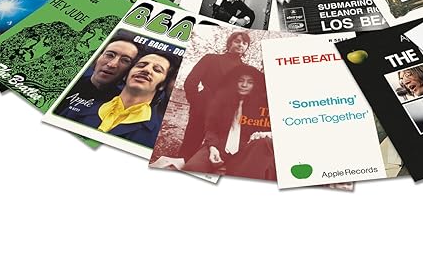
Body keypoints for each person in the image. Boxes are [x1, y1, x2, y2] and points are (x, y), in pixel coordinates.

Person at [152, 31, 251, 166]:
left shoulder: (245, 70)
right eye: (237, 41)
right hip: (203, 105)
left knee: (215, 149)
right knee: (189, 146)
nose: (240, 45)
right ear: (230, 43)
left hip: (226, 113)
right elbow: (191, 82)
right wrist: (196, 102)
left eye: (244, 43)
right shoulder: (211, 59)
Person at [181, 65, 275, 180]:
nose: (244, 85)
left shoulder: (262, 106)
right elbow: (211, 128)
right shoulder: (220, 100)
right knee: (192, 168)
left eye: (250, 82)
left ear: (255, 85)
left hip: (246, 148)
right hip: (218, 145)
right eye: (241, 80)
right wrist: (212, 147)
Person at [77, 51, 180, 147]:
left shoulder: (160, 136)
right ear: (126, 75)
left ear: (163, 85)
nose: (146, 70)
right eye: (141, 65)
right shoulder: (80, 105)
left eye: (157, 70)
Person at [55, 35, 139, 119]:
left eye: (125, 60)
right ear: (96, 57)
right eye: (110, 55)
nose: (112, 64)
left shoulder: (123, 104)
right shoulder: (63, 83)